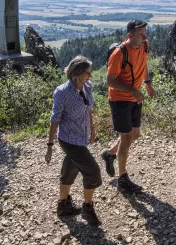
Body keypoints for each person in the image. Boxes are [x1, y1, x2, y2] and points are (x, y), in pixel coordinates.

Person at [45, 55, 102, 226]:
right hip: (69, 140)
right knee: (92, 172)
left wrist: (92, 129)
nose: (90, 76)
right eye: (87, 73)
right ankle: (88, 207)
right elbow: (55, 120)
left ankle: (63, 206)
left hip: (81, 137)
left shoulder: (87, 86)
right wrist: (49, 146)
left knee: (70, 169)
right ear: (76, 73)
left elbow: (88, 109)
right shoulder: (62, 93)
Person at [101, 20, 156, 193]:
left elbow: (144, 62)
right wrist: (132, 89)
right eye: (141, 34)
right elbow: (109, 80)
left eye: (145, 34)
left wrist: (147, 83)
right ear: (129, 35)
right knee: (126, 138)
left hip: (134, 96)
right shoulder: (119, 54)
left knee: (135, 134)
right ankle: (122, 179)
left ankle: (109, 154)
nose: (144, 37)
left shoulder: (144, 46)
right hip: (119, 99)